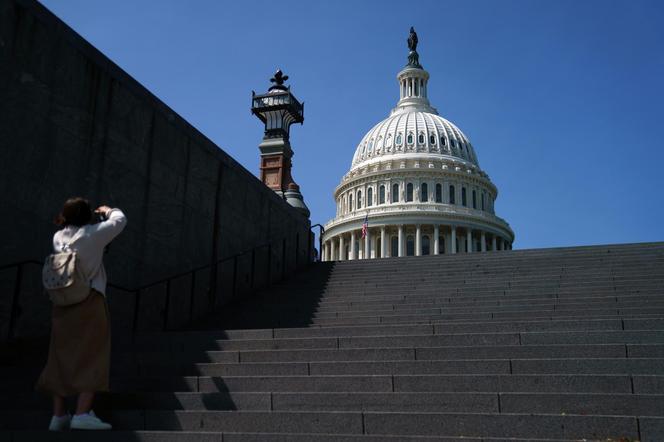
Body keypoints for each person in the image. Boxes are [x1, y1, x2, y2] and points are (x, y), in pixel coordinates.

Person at [36, 197, 127, 431]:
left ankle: (59, 415)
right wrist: (107, 210)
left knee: (59, 357)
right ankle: (82, 413)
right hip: (89, 300)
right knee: (93, 354)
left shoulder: (58, 238)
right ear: (87, 216)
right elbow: (120, 220)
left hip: (61, 303)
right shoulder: (93, 234)